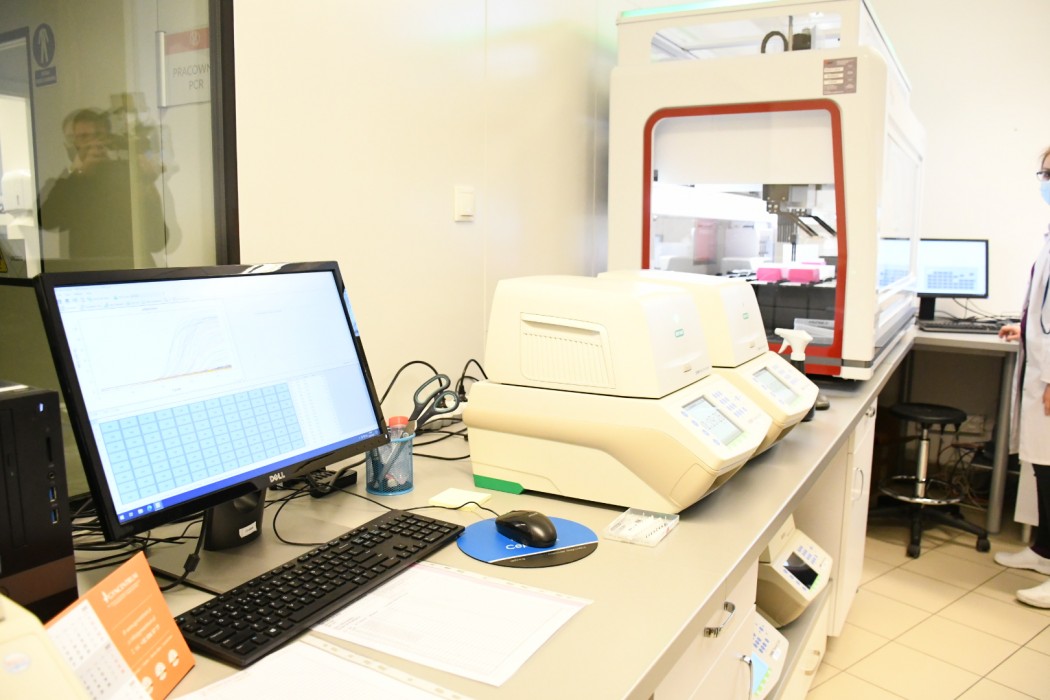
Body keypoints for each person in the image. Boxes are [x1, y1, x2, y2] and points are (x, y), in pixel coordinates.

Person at [994, 144, 1050, 609]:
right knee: (1043, 467)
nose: (1046, 183)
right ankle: (1044, 551)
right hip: (1041, 366)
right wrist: (1025, 326)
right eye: (1045, 174)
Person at [39, 108, 165, 270]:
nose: (93, 143)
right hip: (88, 273)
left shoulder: (129, 176)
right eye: (83, 137)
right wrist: (78, 174)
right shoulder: (67, 183)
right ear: (71, 144)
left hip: (132, 271)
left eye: (98, 135)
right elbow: (47, 221)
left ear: (108, 138)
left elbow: (158, 240)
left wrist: (146, 184)